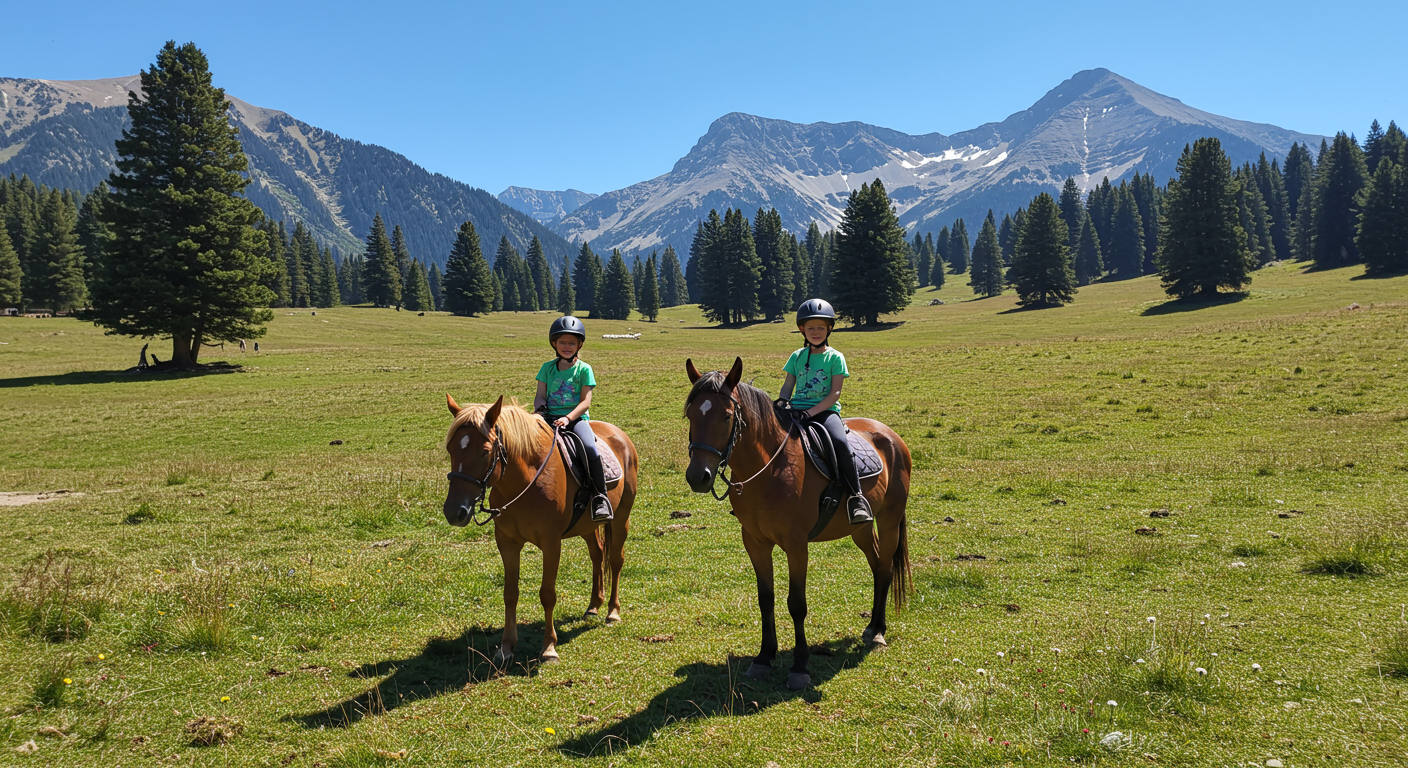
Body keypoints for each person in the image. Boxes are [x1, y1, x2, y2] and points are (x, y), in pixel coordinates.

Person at [779, 299, 872, 524]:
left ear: (829, 329)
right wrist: (782, 402)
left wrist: (810, 413)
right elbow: (788, 385)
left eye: (821, 327)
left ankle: (856, 497)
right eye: (810, 328)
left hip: (825, 411)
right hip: (795, 410)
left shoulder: (835, 357)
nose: (816, 332)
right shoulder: (796, 356)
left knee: (840, 443)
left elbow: (835, 394)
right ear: (802, 329)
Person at [534, 316, 612, 521]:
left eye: (571, 343)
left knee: (590, 448)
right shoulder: (546, 368)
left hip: (576, 419)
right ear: (554, 343)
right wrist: (539, 412)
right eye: (562, 342)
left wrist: (568, 418)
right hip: (548, 418)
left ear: (579, 345)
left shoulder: (584, 369)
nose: (566, 347)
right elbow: (540, 395)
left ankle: (601, 497)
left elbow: (585, 401)